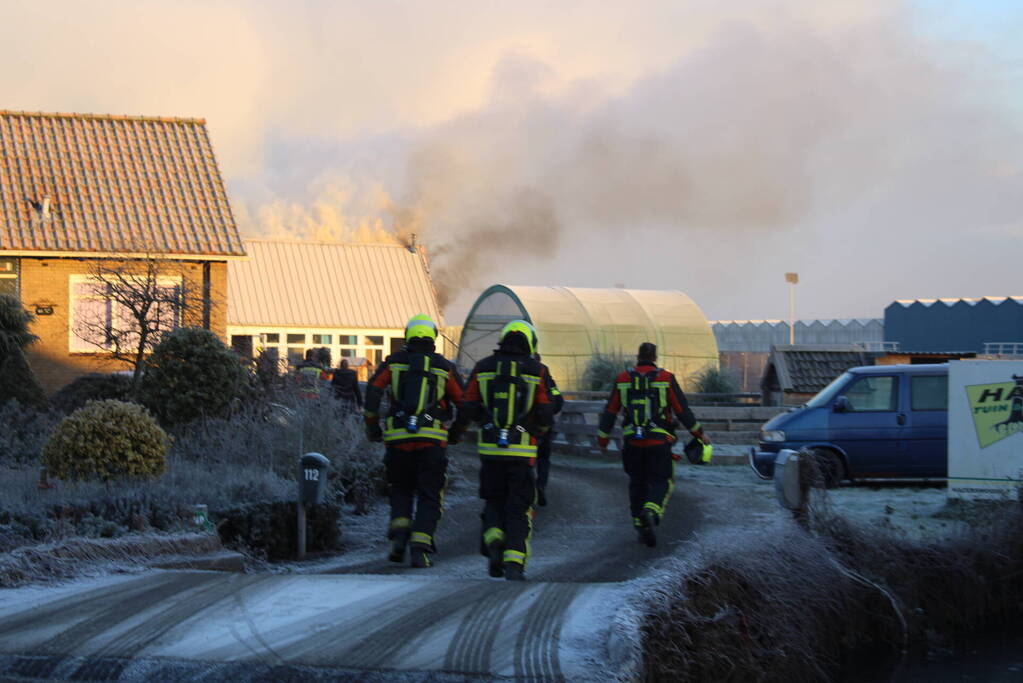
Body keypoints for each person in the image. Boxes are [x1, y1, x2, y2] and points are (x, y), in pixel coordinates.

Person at [453, 319, 553, 581]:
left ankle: (494, 538)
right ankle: (514, 563)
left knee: (494, 500)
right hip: (522, 454)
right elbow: (545, 410)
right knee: (519, 508)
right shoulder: (536, 369)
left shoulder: (483, 367)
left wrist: (482, 421)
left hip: (490, 451)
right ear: (530, 342)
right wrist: (536, 431)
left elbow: (467, 404)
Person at [364, 314, 464, 568]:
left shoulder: (393, 363)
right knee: (430, 495)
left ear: (407, 335)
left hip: (398, 440)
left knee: (400, 488)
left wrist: (372, 427)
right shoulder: (444, 367)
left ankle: (399, 534)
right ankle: (420, 548)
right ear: (433, 337)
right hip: (432, 442)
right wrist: (455, 434)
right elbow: (464, 402)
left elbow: (373, 391)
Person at [597, 342, 712, 548]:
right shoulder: (665, 378)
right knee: (662, 480)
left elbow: (610, 411)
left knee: (636, 482)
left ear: (637, 356)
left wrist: (602, 440)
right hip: (659, 442)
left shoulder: (623, 379)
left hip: (632, 441)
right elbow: (682, 410)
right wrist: (699, 434)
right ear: (655, 357)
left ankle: (640, 526)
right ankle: (652, 510)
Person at [534, 352, 563, 507]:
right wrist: (551, 413)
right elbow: (559, 399)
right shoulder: (546, 375)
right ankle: (541, 485)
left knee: (525, 459)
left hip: (524, 427)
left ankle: (529, 486)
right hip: (545, 425)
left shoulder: (520, 372)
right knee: (543, 459)